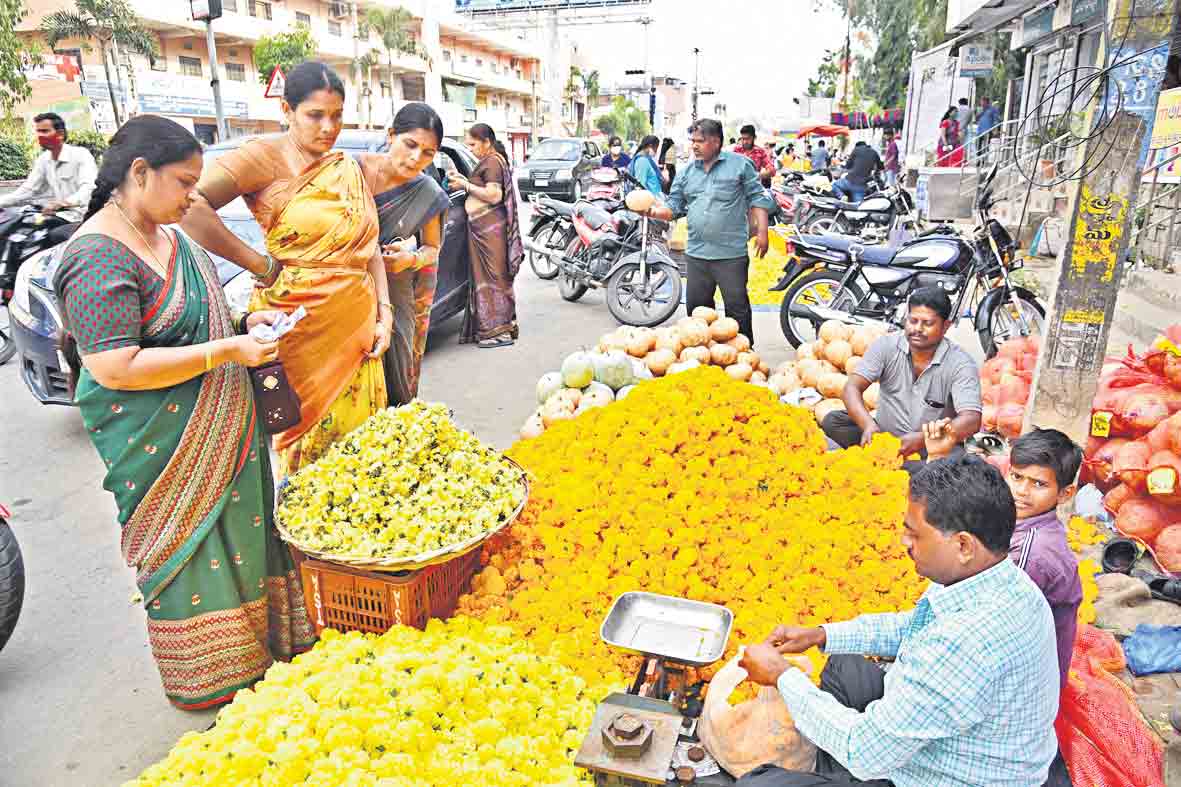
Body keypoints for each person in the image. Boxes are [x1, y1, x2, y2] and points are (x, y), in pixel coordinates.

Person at [53, 115, 314, 710]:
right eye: (184, 183)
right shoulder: (97, 257)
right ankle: (211, 677)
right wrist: (229, 349)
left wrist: (248, 323)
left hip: (227, 423)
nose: (193, 197)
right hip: (162, 445)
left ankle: (260, 658)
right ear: (139, 174)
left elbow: (206, 315)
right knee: (190, 552)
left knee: (244, 534)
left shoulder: (171, 236)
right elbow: (114, 368)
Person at [737, 456, 1061, 787]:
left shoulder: (964, 644)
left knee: (758, 783)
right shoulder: (1001, 580)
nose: (904, 542)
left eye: (913, 533)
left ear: (963, 544)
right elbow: (912, 627)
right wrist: (821, 635)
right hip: (947, 739)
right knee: (840, 667)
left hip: (942, 778)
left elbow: (863, 751)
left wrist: (782, 676)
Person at [180, 61, 392, 475]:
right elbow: (190, 207)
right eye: (315, 115)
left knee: (364, 457)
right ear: (286, 110)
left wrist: (385, 314)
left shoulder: (345, 168)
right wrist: (259, 263)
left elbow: (368, 249)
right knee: (304, 452)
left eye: (336, 115)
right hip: (297, 327)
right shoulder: (263, 156)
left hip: (357, 328)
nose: (328, 127)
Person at [927, 426, 1083, 690]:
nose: (1022, 491)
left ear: (1065, 494)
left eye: (1039, 484)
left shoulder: (1032, 554)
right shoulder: (1017, 518)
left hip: (1019, 682)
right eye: (1017, 477)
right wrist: (938, 458)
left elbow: (994, 629)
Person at [820, 287, 982, 469]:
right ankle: (886, 459)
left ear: (946, 326)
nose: (917, 329)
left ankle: (897, 466)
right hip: (885, 437)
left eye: (927, 323)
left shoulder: (961, 363)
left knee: (951, 466)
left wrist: (922, 439)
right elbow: (851, 388)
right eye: (912, 321)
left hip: (933, 448)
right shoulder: (886, 346)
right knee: (833, 421)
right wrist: (868, 425)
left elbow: (971, 420)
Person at [648, 119, 770, 345]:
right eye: (692, 141)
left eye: (700, 141)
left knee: (737, 308)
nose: (694, 146)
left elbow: (757, 197)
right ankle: (705, 352)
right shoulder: (685, 173)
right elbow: (674, 207)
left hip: (730, 254)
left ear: (715, 141)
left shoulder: (740, 165)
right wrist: (653, 212)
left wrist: (763, 231)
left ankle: (743, 353)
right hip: (696, 253)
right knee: (697, 310)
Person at [362, 103, 450, 405]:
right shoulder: (353, 172)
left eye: (428, 153)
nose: (416, 158)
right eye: (410, 144)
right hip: (346, 294)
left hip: (397, 298)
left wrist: (408, 258)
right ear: (391, 136)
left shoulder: (427, 193)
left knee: (394, 388)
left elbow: (432, 248)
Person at [450, 123, 524, 349]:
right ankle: (496, 329)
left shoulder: (492, 161)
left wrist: (465, 184)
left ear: (486, 142)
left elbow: (493, 195)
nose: (470, 149)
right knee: (491, 279)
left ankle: (498, 332)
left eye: (473, 144)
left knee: (494, 280)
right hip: (485, 233)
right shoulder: (492, 161)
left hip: (491, 233)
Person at [0, 112, 97, 245]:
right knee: (18, 233)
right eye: (38, 131)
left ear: (60, 134)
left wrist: (63, 203)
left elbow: (88, 188)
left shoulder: (81, 155)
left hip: (82, 217)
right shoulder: (44, 160)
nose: (40, 135)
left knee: (54, 236)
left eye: (45, 131)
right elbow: (27, 190)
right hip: (57, 216)